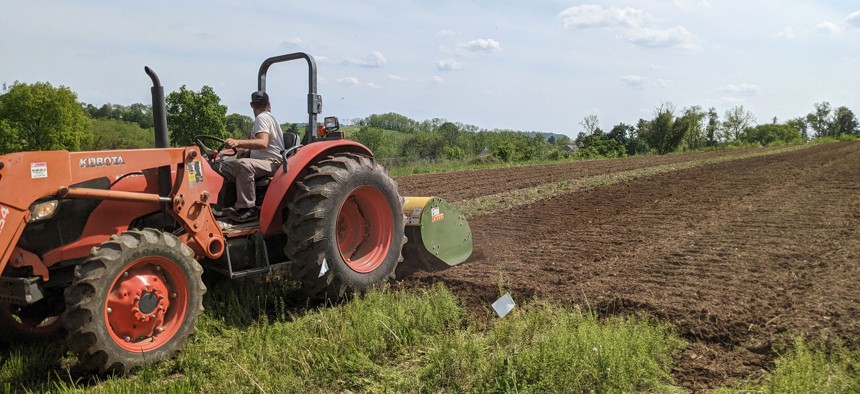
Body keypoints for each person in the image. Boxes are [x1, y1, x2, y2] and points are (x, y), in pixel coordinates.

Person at [215, 91, 285, 222]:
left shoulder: (262, 118)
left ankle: (247, 209)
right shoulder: (268, 117)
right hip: (264, 160)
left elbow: (263, 143)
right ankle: (219, 207)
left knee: (243, 165)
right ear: (268, 104)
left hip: (272, 162)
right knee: (219, 166)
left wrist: (238, 142)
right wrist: (247, 151)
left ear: (251, 105)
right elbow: (267, 144)